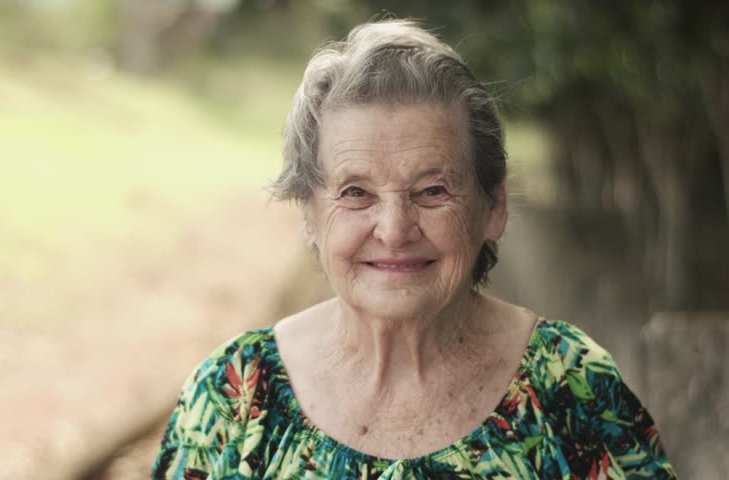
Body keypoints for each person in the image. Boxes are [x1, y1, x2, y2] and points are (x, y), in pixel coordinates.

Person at [151, 20, 676, 479]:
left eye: (432, 191)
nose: (395, 229)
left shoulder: (570, 384)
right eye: (356, 193)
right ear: (309, 214)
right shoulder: (234, 396)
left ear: (492, 207)